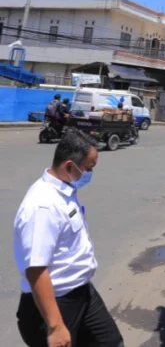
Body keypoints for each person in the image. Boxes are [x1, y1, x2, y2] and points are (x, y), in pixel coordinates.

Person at [13, 128, 124, 347]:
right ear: (69, 166)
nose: (91, 174)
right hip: (54, 304)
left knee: (111, 342)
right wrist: (55, 326)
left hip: (82, 292)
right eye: (89, 168)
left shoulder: (64, 190)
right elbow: (36, 269)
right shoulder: (42, 206)